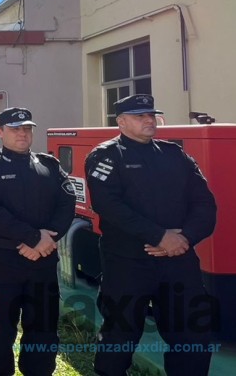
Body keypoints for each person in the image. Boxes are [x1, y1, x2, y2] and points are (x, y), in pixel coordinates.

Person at [86, 94, 217, 376]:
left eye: (151, 115)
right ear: (121, 122)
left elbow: (204, 203)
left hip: (178, 260)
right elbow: (108, 206)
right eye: (139, 116)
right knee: (119, 335)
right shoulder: (106, 156)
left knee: (192, 335)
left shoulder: (174, 154)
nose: (149, 120)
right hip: (128, 262)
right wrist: (160, 236)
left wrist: (185, 238)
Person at [0, 107, 75, 376]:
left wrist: (48, 238)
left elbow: (67, 203)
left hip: (42, 261)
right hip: (1, 261)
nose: (22, 133)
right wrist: (33, 237)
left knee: (43, 328)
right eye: (15, 129)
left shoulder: (49, 165)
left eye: (27, 128)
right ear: (0, 132)